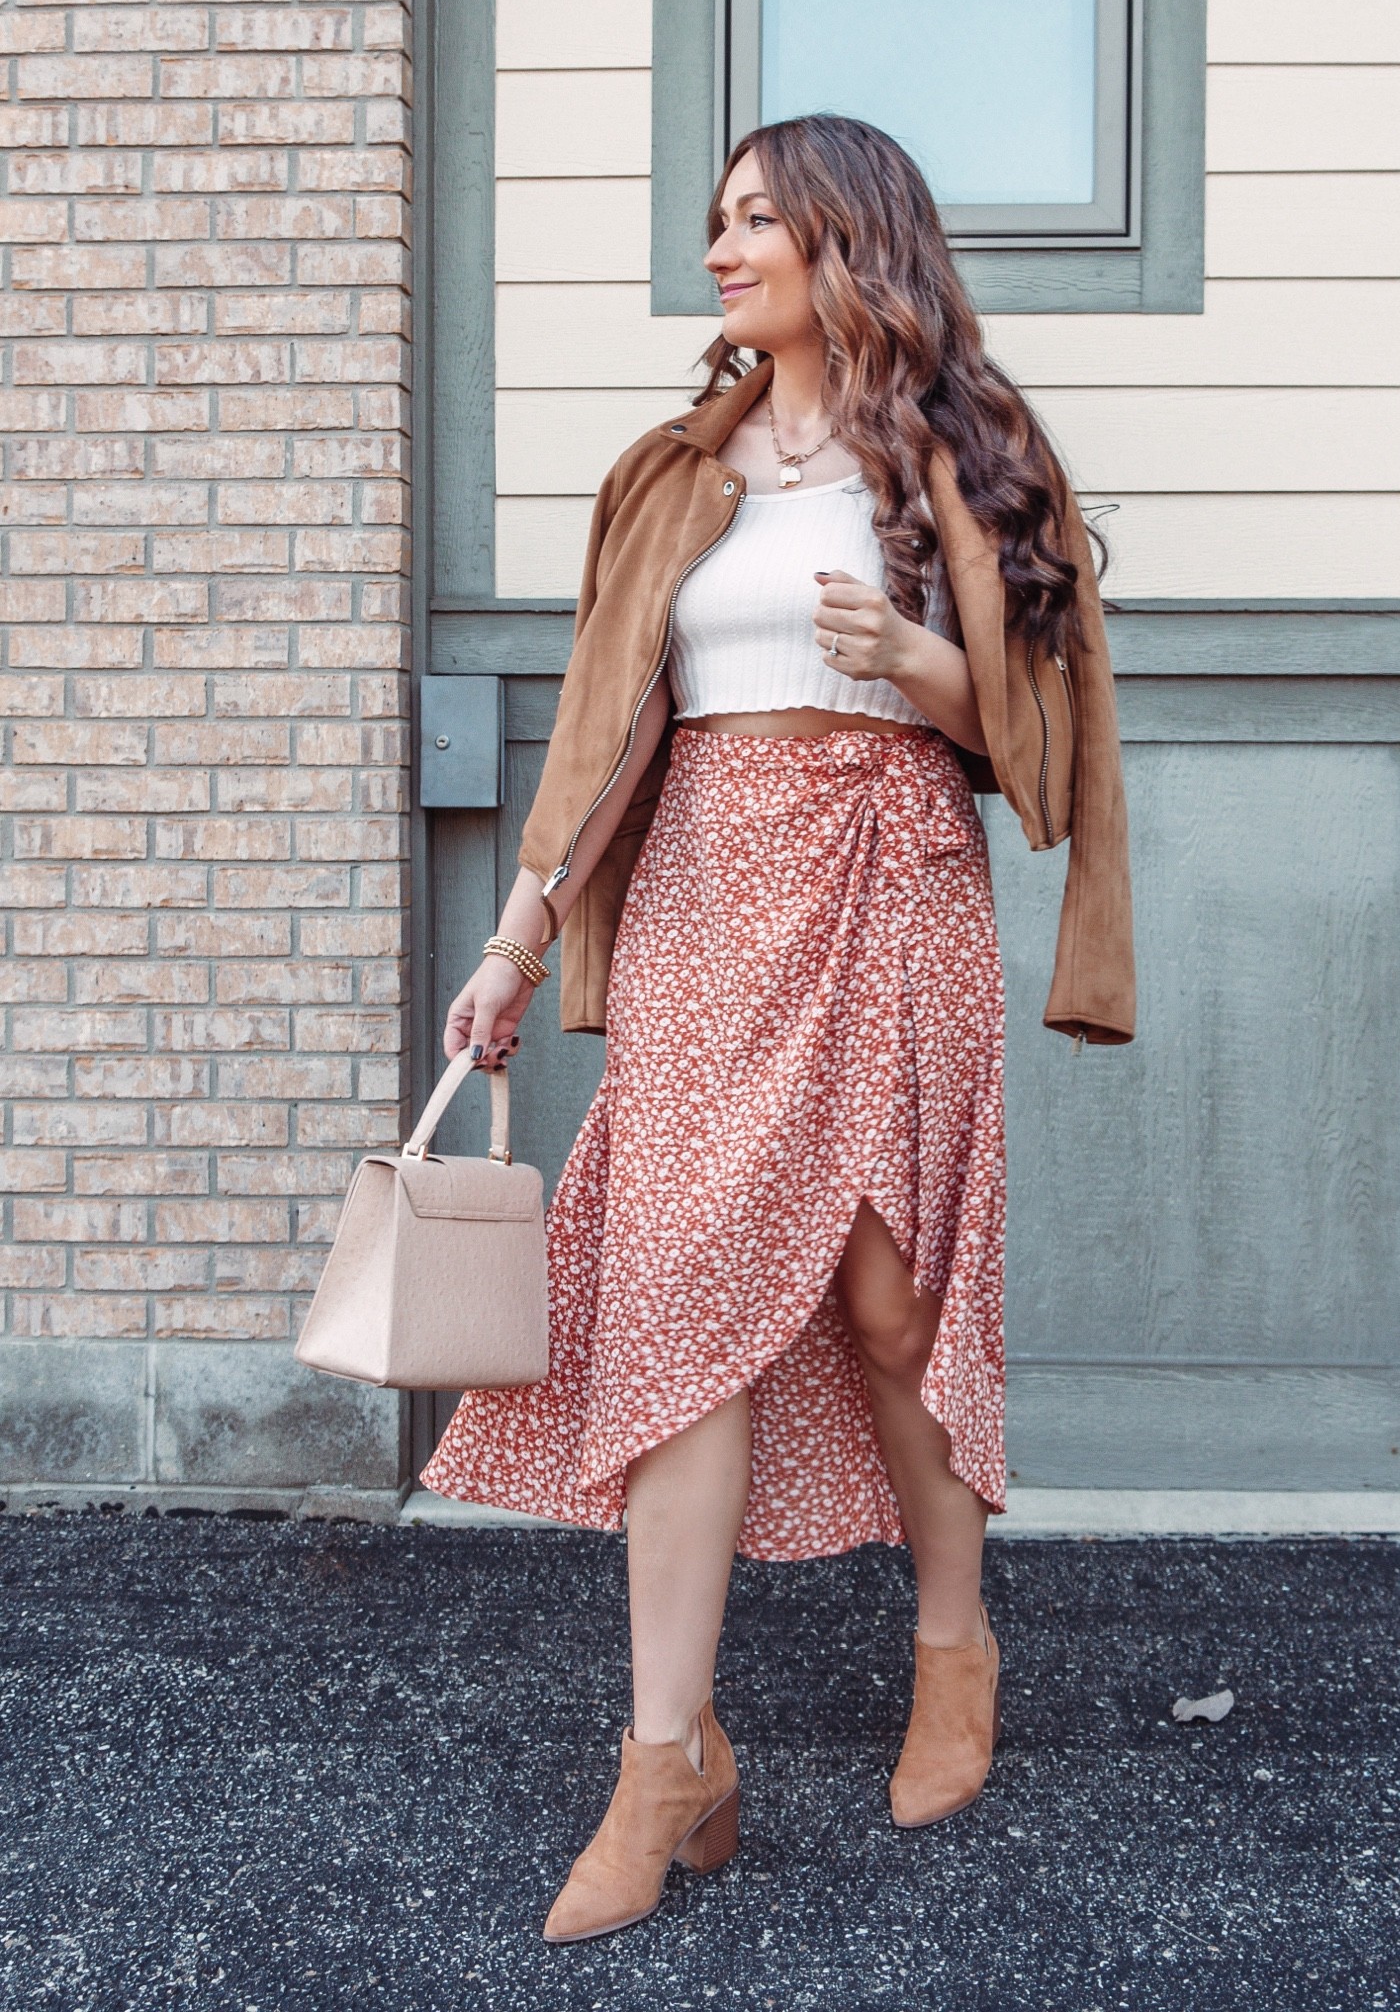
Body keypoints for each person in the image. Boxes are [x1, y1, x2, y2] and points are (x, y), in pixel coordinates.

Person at [422, 113, 1134, 1944]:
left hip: (897, 892)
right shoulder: (680, 468)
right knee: (677, 1306)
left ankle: (952, 1642)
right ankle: (669, 1756)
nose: (724, 247)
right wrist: (513, 944)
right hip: (706, 912)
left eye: (757, 220)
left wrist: (924, 671)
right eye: (718, 219)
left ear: (846, 243)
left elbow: (1046, 753)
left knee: (895, 1299)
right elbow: (605, 738)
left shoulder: (967, 457)